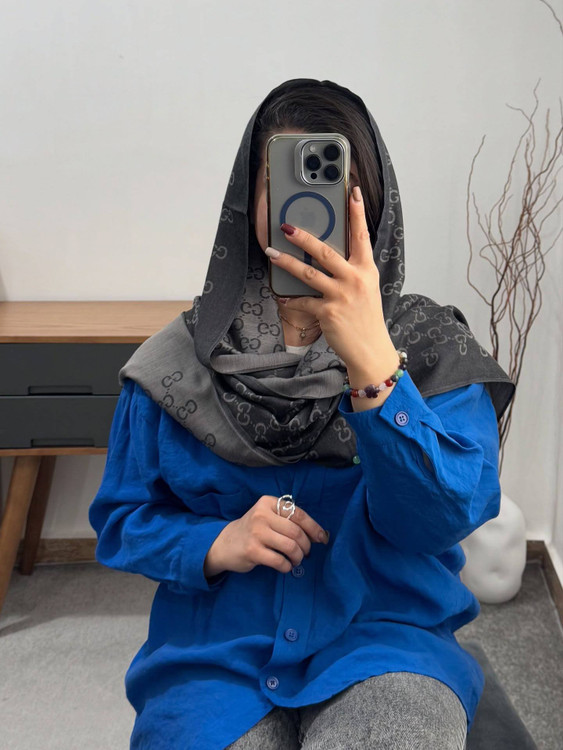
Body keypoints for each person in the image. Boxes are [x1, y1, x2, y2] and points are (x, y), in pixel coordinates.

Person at [89, 78, 515, 750]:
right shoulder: (176, 363)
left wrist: (376, 371)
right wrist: (214, 543)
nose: (309, 209)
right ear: (249, 201)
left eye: (338, 184)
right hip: (215, 657)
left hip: (384, 642)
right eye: (282, 182)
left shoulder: (433, 350)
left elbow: (439, 520)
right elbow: (121, 520)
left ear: (373, 202)